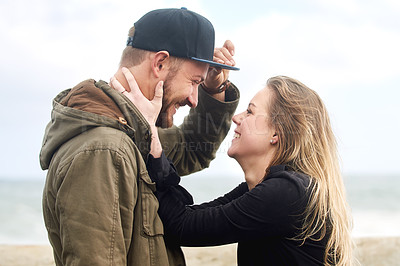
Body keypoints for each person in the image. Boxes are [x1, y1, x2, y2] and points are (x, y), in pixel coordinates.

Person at [40, 8, 240, 265]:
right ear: (159, 64)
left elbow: (192, 149)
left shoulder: (131, 133)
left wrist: (214, 89)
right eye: (193, 82)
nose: (193, 99)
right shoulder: (105, 150)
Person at [118, 75, 354, 265]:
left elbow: (182, 226)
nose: (237, 118)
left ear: (276, 134)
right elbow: (186, 216)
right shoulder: (266, 189)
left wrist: (149, 132)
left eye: (250, 112)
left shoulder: (287, 192)